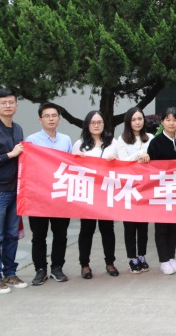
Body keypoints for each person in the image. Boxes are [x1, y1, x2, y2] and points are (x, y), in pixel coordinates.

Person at [25, 102, 73, 285]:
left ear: (59, 119)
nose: (51, 119)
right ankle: (40, 269)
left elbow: (71, 166)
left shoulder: (66, 140)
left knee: (60, 235)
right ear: (40, 119)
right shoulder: (32, 140)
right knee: (39, 236)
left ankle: (57, 267)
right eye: (47, 116)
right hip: (39, 197)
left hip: (60, 195)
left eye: (54, 116)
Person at [0, 88, 27, 294]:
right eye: (3, 103)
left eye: (11, 102)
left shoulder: (18, 129)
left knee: (12, 235)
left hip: (15, 190)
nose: (8, 106)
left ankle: (10, 273)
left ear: (16, 106)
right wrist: (10, 154)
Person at [73, 110, 120, 280]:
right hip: (87, 194)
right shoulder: (79, 144)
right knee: (86, 230)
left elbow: (123, 166)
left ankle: (110, 262)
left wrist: (115, 161)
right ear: (87, 125)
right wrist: (77, 158)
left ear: (104, 124)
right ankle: (84, 265)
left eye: (99, 122)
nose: (96, 125)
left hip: (106, 193)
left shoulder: (112, 143)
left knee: (108, 229)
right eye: (93, 122)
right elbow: (72, 168)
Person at [147, 107, 176, 275]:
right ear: (162, 122)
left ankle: (171, 257)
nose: (172, 123)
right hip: (161, 191)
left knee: (173, 226)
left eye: (175, 120)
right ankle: (164, 260)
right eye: (168, 120)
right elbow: (150, 169)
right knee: (161, 227)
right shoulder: (155, 143)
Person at [117, 107, 153, 275]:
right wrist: (139, 154)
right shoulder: (121, 140)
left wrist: (148, 156)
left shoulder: (150, 138)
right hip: (128, 188)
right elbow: (123, 162)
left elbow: (155, 160)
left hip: (145, 188)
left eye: (140, 119)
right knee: (130, 226)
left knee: (143, 226)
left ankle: (142, 256)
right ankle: (132, 258)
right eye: (134, 119)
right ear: (128, 122)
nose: (137, 122)